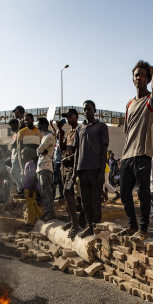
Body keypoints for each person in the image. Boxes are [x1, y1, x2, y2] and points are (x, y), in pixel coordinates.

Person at [119, 60, 153, 242]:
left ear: (147, 78)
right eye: (136, 75)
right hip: (127, 155)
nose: (139, 78)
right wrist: (122, 156)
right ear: (133, 79)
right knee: (123, 192)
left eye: (143, 75)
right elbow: (128, 132)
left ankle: (143, 229)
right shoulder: (129, 103)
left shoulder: (149, 101)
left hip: (142, 154)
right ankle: (132, 225)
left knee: (143, 193)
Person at [74, 100, 109, 238]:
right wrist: (75, 171)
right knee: (85, 202)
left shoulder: (101, 127)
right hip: (82, 169)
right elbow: (77, 151)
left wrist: (101, 171)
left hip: (95, 169)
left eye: (88, 109)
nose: (86, 111)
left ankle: (96, 228)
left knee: (96, 201)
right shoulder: (79, 129)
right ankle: (89, 226)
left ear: (94, 110)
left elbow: (104, 149)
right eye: (84, 109)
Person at [58, 109, 81, 238]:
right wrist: (60, 132)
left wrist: (70, 159)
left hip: (73, 167)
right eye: (66, 117)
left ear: (76, 117)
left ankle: (76, 225)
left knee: (67, 193)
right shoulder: (68, 133)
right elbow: (62, 147)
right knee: (68, 195)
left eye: (69, 116)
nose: (67, 118)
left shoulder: (80, 130)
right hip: (65, 167)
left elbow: (79, 150)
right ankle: (72, 221)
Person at [36, 117, 56, 221]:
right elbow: (39, 151)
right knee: (43, 192)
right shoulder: (44, 137)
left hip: (46, 167)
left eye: (39, 124)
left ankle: (50, 212)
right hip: (41, 167)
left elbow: (39, 149)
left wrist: (40, 151)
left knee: (47, 191)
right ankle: (47, 211)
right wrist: (40, 151)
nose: (37, 126)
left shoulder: (49, 136)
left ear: (44, 124)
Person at [22, 157, 43, 228]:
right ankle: (41, 216)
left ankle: (31, 222)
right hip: (28, 187)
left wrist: (31, 189)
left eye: (23, 154)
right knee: (33, 203)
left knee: (30, 205)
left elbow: (34, 176)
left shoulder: (31, 163)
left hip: (30, 188)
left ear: (27, 155)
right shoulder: (28, 163)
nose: (22, 156)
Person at [7, 119, 24, 196]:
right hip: (14, 157)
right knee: (15, 173)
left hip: (18, 157)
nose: (11, 128)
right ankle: (20, 187)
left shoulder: (20, 133)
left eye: (12, 126)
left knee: (14, 172)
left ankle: (21, 188)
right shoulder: (15, 135)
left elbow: (15, 145)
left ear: (16, 125)